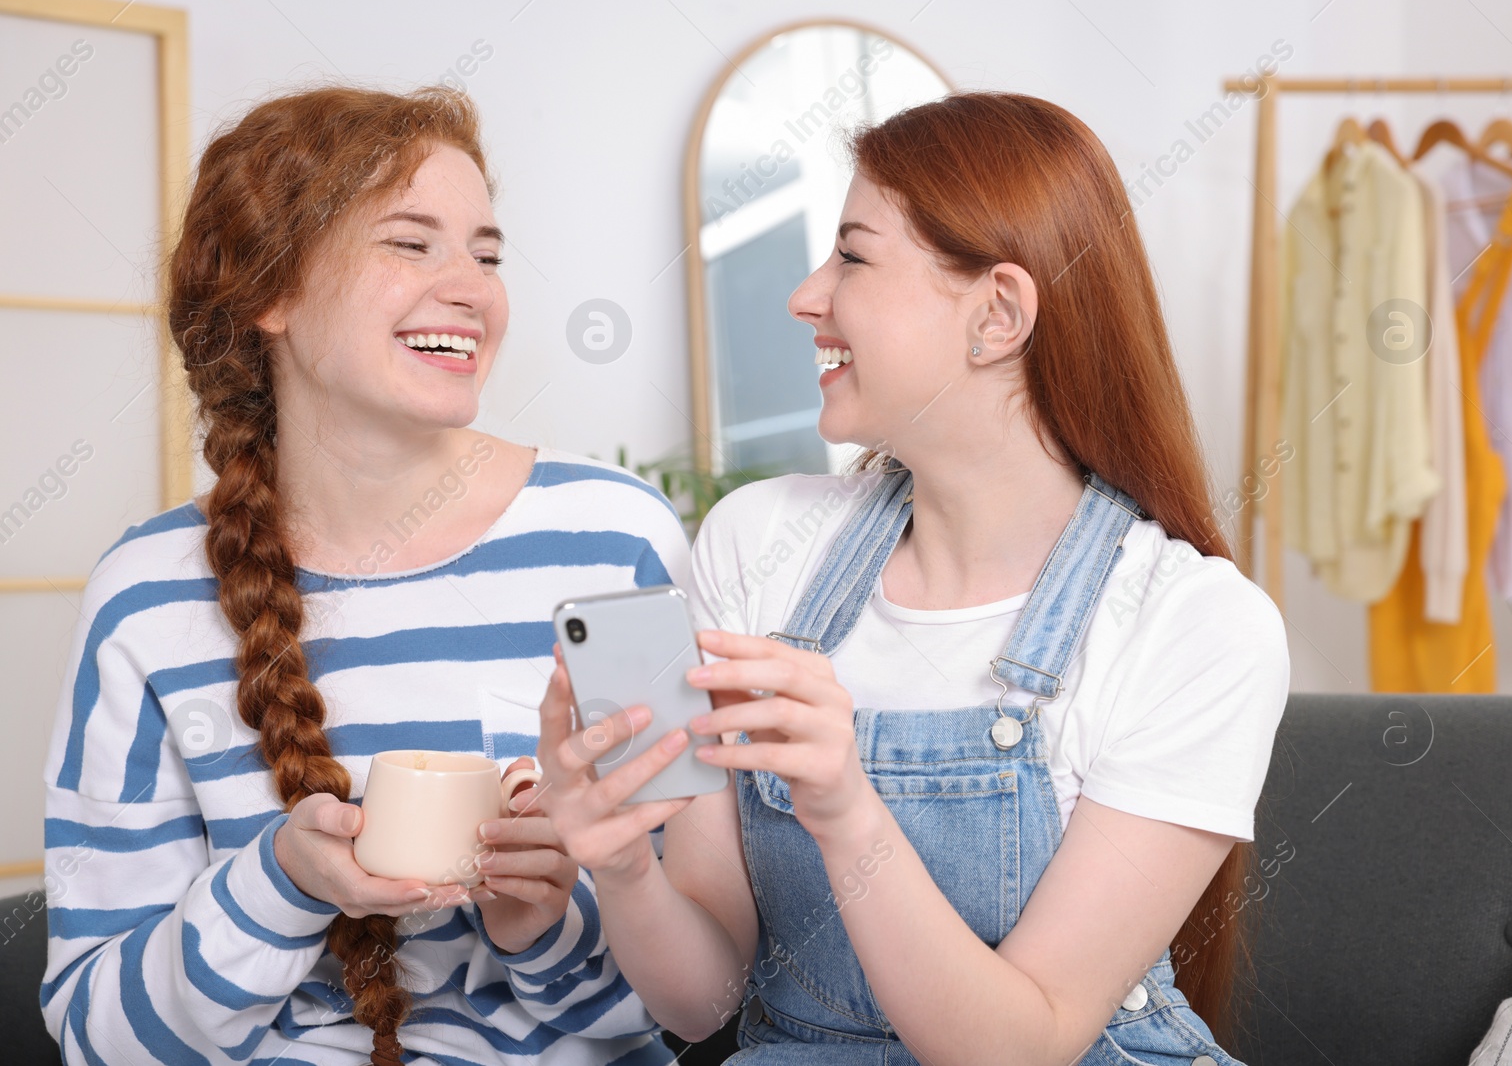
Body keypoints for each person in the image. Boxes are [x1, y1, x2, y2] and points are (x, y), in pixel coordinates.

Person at [534, 92, 1290, 1064]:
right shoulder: (757, 545)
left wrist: (847, 809)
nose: (807, 295)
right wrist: (620, 859)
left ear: (997, 314)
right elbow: (702, 999)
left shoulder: (1194, 623)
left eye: (850, 255)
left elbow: (1022, 1046)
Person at [39, 85, 684, 1066]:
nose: (472, 286)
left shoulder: (617, 541)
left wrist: (539, 922)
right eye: (411, 242)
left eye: (487, 251)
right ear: (273, 292)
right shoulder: (147, 593)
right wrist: (284, 879)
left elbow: (706, 987)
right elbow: (97, 1033)